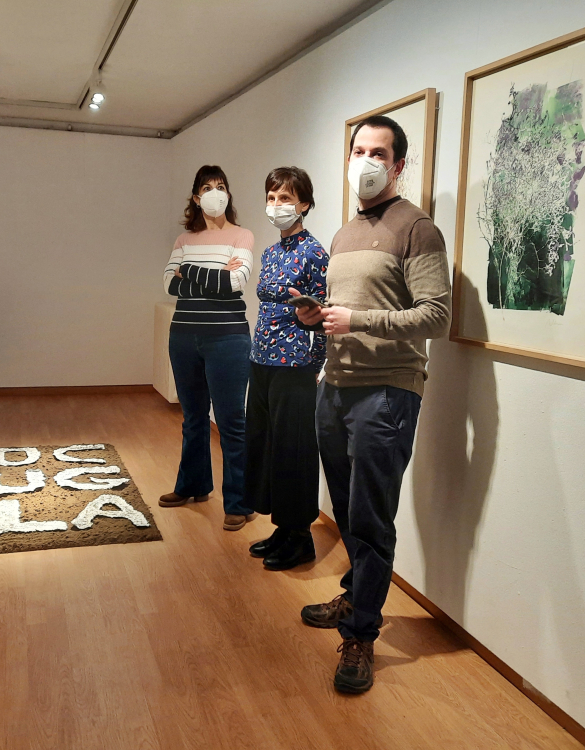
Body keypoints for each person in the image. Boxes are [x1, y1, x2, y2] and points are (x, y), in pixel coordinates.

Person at [293, 115, 452, 693]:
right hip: (334, 387)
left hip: (387, 393)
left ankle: (362, 632)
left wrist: (358, 319)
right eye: (359, 150)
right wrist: (319, 315)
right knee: (343, 508)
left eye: (378, 152)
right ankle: (356, 596)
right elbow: (346, 309)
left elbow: (436, 316)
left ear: (399, 164)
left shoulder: (418, 230)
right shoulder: (342, 233)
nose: (366, 161)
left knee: (370, 515)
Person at [160, 165, 257, 531]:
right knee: (194, 418)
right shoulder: (184, 240)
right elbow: (170, 284)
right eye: (207, 187)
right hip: (183, 336)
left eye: (221, 186)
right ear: (197, 197)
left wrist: (192, 273)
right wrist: (211, 276)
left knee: (232, 422)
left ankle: (239, 502)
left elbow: (236, 283)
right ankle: (192, 486)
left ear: (228, 194)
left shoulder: (242, 236)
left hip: (228, 339)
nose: (215, 192)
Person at [244, 167, 327, 570]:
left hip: (295, 364)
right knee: (267, 445)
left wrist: (316, 364)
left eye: (286, 198)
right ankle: (282, 526)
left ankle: (301, 536)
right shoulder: (271, 251)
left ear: (304, 204)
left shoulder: (315, 253)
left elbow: (324, 313)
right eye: (272, 197)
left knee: (295, 450)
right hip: (261, 360)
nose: (277, 205)